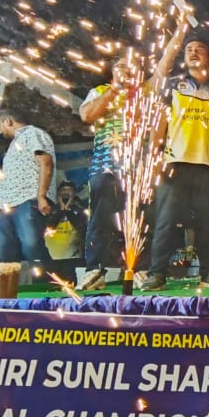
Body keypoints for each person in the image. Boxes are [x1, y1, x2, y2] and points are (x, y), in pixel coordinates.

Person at [143, 8, 209, 292]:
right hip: (174, 163)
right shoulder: (173, 86)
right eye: (189, 49)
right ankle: (157, 274)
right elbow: (159, 125)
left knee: (208, 223)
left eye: (199, 49)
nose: (193, 53)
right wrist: (155, 157)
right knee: (166, 222)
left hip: (208, 165)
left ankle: (207, 273)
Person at [76, 58, 139, 290]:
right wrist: (114, 90)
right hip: (105, 165)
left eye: (131, 65)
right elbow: (87, 116)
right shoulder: (100, 91)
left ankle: (138, 269)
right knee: (100, 217)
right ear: (112, 71)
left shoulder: (142, 93)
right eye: (121, 65)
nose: (126, 69)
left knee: (138, 218)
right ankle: (94, 270)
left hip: (137, 167)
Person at [0, 108, 56, 272]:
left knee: (32, 246)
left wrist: (41, 196)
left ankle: (49, 282)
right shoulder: (14, 143)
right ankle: (3, 285)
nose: (0, 131)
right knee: (3, 251)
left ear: (8, 121)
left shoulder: (32, 133)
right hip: (6, 205)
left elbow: (46, 162)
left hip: (27, 199)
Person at [44, 181, 86, 278]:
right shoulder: (50, 209)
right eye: (63, 190)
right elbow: (49, 226)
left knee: (70, 283)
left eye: (69, 190)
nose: (66, 192)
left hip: (72, 256)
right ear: (58, 193)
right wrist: (61, 210)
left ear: (74, 193)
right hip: (51, 256)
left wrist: (68, 210)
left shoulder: (80, 210)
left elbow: (81, 227)